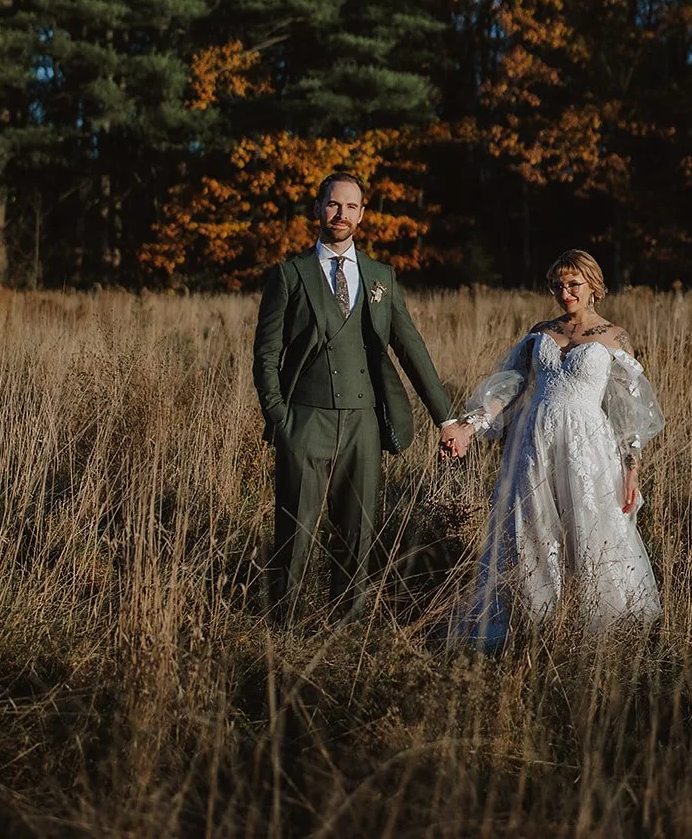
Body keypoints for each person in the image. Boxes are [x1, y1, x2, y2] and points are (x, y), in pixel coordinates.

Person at [253, 170, 456, 619]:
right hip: (304, 419)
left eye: (350, 206)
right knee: (295, 528)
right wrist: (279, 420)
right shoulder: (289, 275)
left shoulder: (381, 276)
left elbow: (411, 348)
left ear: (362, 215)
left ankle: (344, 629)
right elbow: (265, 355)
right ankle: (282, 624)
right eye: (332, 204)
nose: (340, 214)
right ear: (317, 209)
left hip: (364, 421)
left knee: (357, 530)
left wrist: (446, 418)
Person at [440, 249, 663, 644]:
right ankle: (531, 621)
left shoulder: (614, 337)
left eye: (573, 285)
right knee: (530, 528)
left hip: (587, 446)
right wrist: (469, 427)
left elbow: (626, 409)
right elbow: (508, 387)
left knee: (590, 528)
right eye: (558, 285)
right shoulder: (541, 332)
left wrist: (632, 467)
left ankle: (600, 628)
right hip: (533, 443)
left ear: (594, 286)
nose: (565, 293)